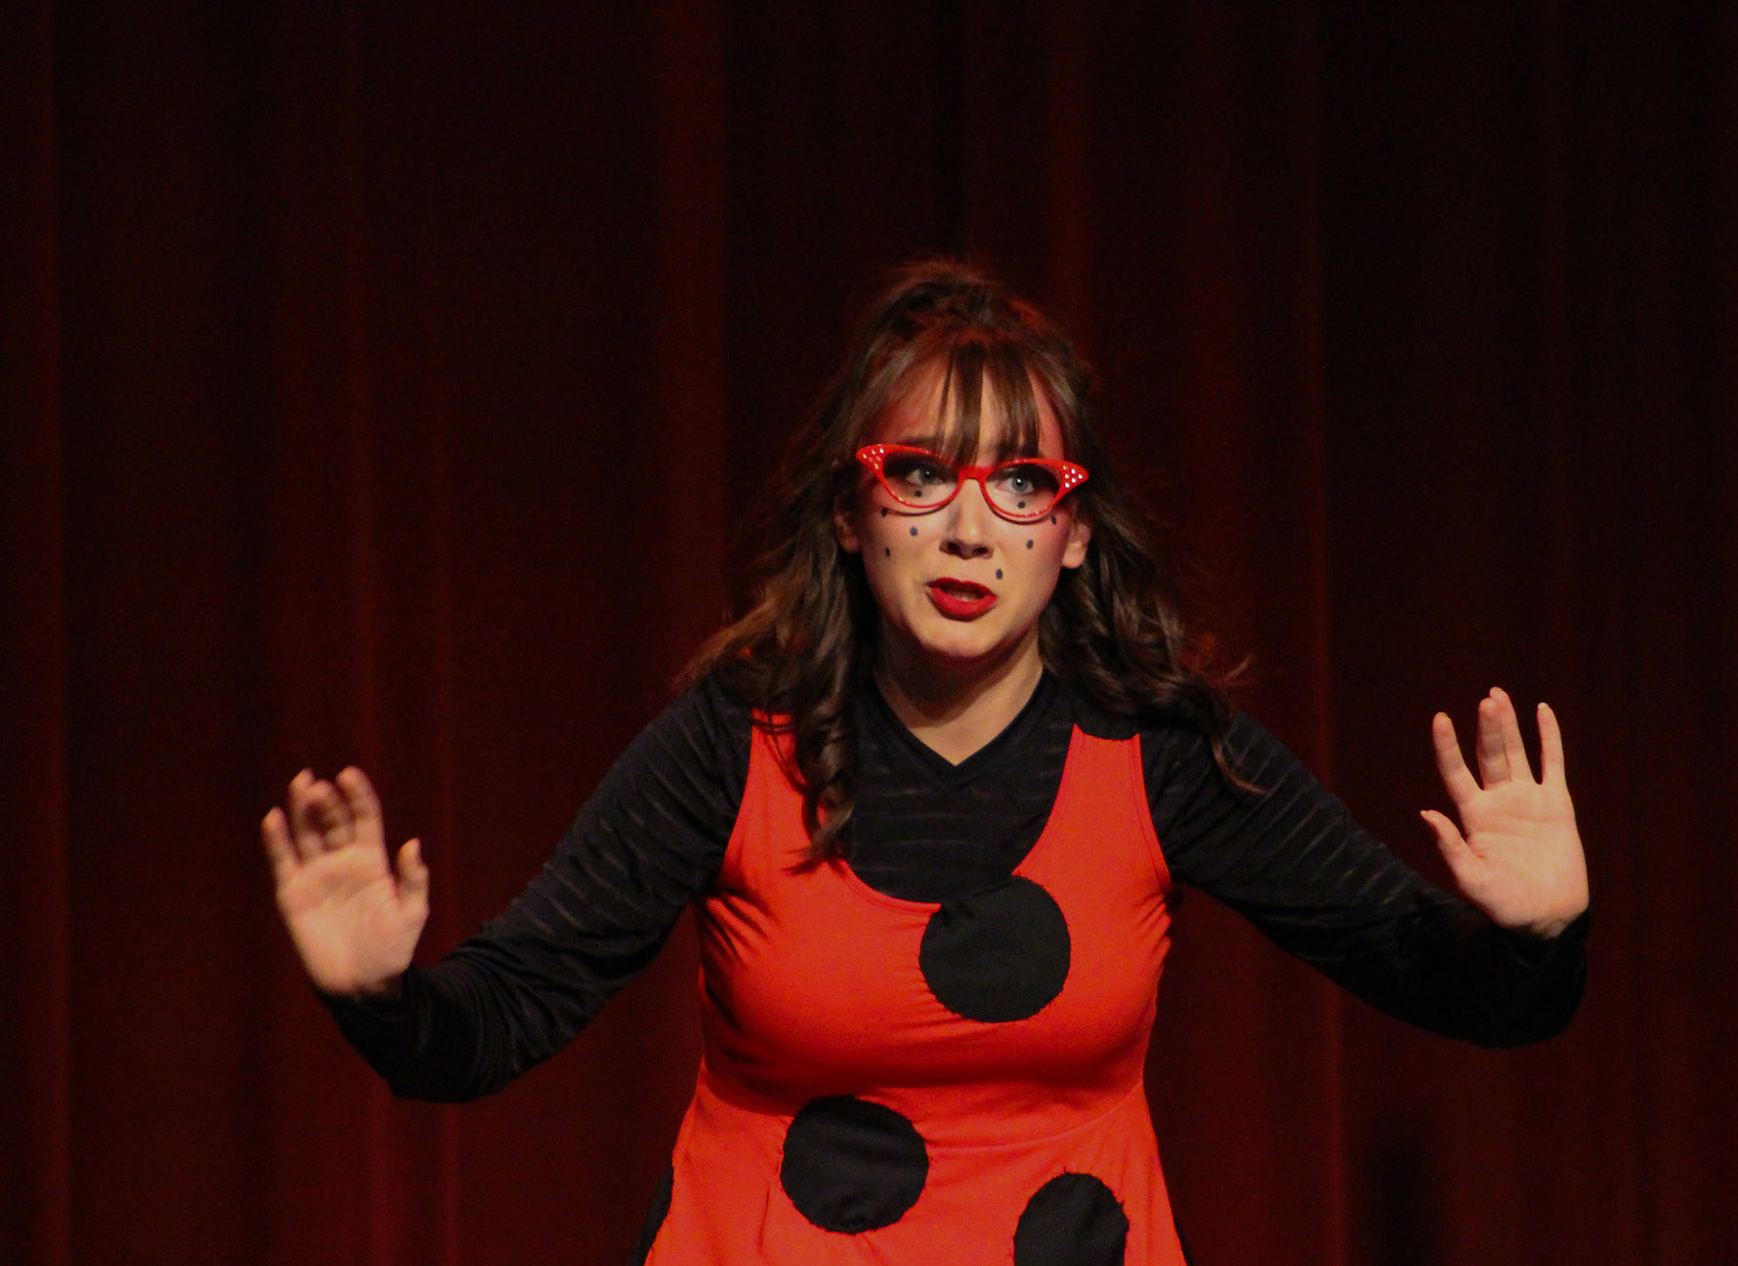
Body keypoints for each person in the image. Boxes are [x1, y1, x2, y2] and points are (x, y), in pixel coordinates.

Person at [260, 261, 1590, 1265]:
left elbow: (1473, 996)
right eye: (921, 477)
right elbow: (494, 1025)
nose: (970, 529)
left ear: (1074, 534)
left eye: (1022, 485)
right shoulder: (736, 743)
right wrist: (381, 996)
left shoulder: (1158, 752)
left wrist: (1540, 933)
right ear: (853, 513)